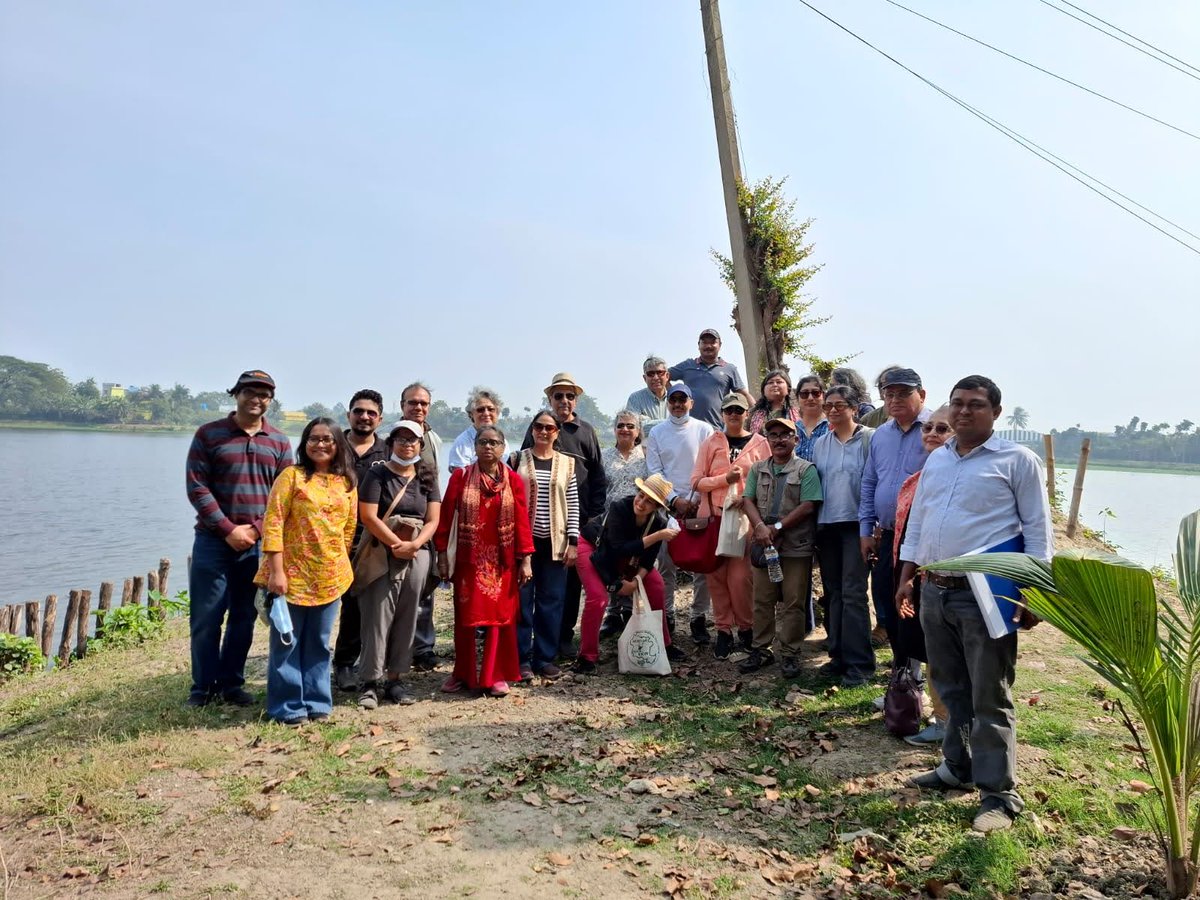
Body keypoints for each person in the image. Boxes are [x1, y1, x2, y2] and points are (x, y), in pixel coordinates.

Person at [896, 376, 1053, 834]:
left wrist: (1033, 591)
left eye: (976, 405)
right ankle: (956, 766)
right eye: (958, 404)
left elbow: (1039, 532)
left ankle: (1000, 794)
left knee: (990, 693)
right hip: (934, 589)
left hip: (987, 592)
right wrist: (908, 577)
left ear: (995, 413)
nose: (964, 412)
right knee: (949, 686)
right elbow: (919, 522)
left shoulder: (1017, 460)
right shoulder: (939, 460)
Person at [185, 369, 293, 708]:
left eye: (265, 394)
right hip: (213, 541)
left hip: (257, 545)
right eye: (251, 392)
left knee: (243, 616)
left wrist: (256, 530)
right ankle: (202, 688)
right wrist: (227, 529)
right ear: (236, 394)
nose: (257, 399)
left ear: (271, 401)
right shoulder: (210, 434)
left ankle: (232, 683)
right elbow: (197, 486)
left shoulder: (279, 441)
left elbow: (285, 496)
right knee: (206, 617)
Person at [254, 418, 357, 725]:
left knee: (320, 641)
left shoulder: (346, 482)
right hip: (292, 574)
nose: (321, 444)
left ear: (338, 444)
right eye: (314, 438)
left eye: (328, 439)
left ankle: (317, 701)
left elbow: (348, 529)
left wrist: (339, 563)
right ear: (304, 443)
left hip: (330, 575)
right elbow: (273, 523)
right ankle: (287, 706)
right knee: (287, 641)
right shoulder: (292, 476)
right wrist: (276, 571)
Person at [435, 425, 533, 697]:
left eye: (494, 443)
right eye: (483, 442)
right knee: (466, 620)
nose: (488, 447)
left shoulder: (513, 480)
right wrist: (442, 555)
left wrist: (525, 560)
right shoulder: (461, 477)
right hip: (469, 561)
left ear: (503, 448)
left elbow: (522, 521)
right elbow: (445, 519)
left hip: (502, 562)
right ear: (475, 447)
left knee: (499, 620)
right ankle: (463, 674)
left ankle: (495, 675)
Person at [355, 420, 441, 709]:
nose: (407, 445)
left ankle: (396, 679)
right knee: (377, 615)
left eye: (412, 440)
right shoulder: (377, 473)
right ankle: (369, 681)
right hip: (382, 549)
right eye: (401, 439)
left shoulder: (427, 476)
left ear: (420, 445)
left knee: (408, 615)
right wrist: (396, 544)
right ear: (391, 443)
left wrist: (415, 545)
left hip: (417, 552)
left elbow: (433, 520)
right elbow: (368, 516)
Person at [519, 373, 606, 658]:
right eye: (559, 396)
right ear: (550, 400)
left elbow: (597, 477)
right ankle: (530, 643)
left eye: (569, 396)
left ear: (576, 400)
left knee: (569, 585)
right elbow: (521, 474)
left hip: (576, 523)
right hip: (538, 523)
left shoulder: (586, 431)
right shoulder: (538, 427)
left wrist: (593, 518)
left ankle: (563, 636)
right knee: (531, 586)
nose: (564, 401)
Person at [740, 417, 823, 678]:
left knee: (794, 600)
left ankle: (790, 653)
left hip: (795, 546)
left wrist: (777, 528)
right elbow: (747, 500)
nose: (779, 439)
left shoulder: (806, 470)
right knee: (762, 599)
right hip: (764, 544)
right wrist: (760, 528)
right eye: (773, 435)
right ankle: (761, 649)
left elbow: (809, 504)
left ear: (795, 440)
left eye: (785, 435)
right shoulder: (757, 469)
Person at [892, 405, 955, 746]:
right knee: (921, 646)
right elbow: (911, 531)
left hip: (939, 577)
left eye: (941, 429)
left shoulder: (950, 477)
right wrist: (904, 576)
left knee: (941, 654)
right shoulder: (921, 475)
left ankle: (948, 723)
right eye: (928, 427)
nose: (931, 433)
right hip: (911, 572)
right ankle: (930, 709)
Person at [574, 474, 681, 674]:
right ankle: (587, 655)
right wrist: (657, 536)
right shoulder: (619, 508)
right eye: (641, 495)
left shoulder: (658, 522)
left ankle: (664, 643)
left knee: (657, 585)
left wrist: (636, 581)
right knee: (598, 598)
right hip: (594, 548)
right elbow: (617, 549)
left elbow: (649, 560)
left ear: (657, 507)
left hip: (625, 557)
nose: (641, 503)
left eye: (649, 502)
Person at [690, 393, 770, 659]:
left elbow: (767, 481)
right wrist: (724, 479)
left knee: (741, 578)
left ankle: (746, 628)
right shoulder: (711, 442)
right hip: (713, 518)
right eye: (729, 410)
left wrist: (748, 498)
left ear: (747, 413)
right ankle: (723, 630)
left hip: (744, 520)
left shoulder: (760, 444)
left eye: (739, 410)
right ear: (723, 413)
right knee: (716, 577)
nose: (734, 414)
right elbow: (697, 482)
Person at [858, 367, 931, 657]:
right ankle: (903, 675)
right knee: (889, 601)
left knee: (921, 607)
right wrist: (866, 530)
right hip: (888, 535)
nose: (894, 399)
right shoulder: (880, 436)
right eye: (889, 394)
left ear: (921, 395)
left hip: (924, 539)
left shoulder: (937, 429)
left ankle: (925, 678)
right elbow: (869, 482)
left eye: (903, 393)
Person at [811, 385, 875, 687]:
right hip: (827, 525)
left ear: (853, 407)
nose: (833, 410)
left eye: (839, 405)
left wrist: (871, 527)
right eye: (829, 406)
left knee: (853, 593)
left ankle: (860, 664)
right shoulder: (822, 443)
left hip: (856, 525)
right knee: (833, 593)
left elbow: (873, 481)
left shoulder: (869, 439)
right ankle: (837, 656)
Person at [510, 411, 580, 681]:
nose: (543, 431)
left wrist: (573, 541)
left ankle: (545, 658)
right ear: (532, 429)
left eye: (549, 428)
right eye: (538, 426)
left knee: (552, 601)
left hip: (556, 543)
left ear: (556, 433)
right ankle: (521, 659)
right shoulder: (518, 459)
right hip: (524, 545)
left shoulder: (567, 464)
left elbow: (572, 503)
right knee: (522, 601)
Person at [644, 382, 715, 644]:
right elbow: (654, 471)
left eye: (682, 400)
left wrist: (694, 499)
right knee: (666, 566)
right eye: (673, 400)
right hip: (667, 507)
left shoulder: (704, 429)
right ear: (668, 403)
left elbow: (709, 468)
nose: (677, 405)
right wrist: (674, 500)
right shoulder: (657, 433)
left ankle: (698, 617)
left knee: (702, 566)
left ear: (691, 403)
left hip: (699, 503)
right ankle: (668, 616)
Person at [333, 389, 389, 692]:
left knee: (361, 604)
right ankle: (335, 664)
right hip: (330, 537)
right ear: (349, 415)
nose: (364, 417)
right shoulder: (331, 446)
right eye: (359, 411)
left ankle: (356, 663)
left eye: (371, 413)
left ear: (379, 419)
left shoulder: (388, 451)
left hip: (371, 538)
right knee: (328, 604)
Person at [401, 382, 444, 673]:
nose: (418, 408)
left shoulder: (434, 439)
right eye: (412, 402)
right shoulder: (392, 437)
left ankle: (423, 648)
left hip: (426, 521)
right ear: (402, 404)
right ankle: (396, 650)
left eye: (423, 403)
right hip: (396, 524)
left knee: (425, 588)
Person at [597, 411, 650, 637]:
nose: (625, 429)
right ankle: (612, 612)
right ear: (614, 429)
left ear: (638, 431)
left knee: (633, 562)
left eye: (630, 426)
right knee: (612, 563)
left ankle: (630, 609)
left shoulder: (646, 456)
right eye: (620, 425)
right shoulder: (604, 456)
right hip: (610, 519)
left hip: (638, 519)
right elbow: (599, 488)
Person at [669, 328, 746, 428]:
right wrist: (673, 396)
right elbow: (663, 376)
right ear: (699, 345)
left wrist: (759, 411)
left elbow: (743, 394)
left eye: (713, 342)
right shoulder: (687, 365)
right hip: (689, 430)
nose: (708, 346)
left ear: (720, 345)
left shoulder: (729, 369)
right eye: (704, 342)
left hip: (717, 430)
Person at [447, 387, 508, 472]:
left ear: (497, 413)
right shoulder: (462, 442)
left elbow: (507, 471)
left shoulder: (503, 441)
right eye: (480, 410)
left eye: (491, 409)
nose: (486, 413)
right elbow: (459, 478)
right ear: (471, 414)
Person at [625, 356, 671, 436]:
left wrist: (646, 422)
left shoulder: (677, 398)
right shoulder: (635, 398)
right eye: (650, 374)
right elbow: (634, 427)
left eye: (660, 373)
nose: (656, 377)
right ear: (644, 378)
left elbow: (683, 425)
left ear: (667, 376)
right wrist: (670, 423)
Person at [748, 370, 800, 436]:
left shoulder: (799, 414)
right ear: (763, 390)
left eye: (779, 382)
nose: (775, 385)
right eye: (770, 382)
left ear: (788, 389)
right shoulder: (752, 415)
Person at [793, 375, 830, 462]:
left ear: (823, 396)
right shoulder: (792, 429)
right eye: (804, 394)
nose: (810, 398)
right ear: (797, 397)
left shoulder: (832, 427)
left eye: (815, 393)